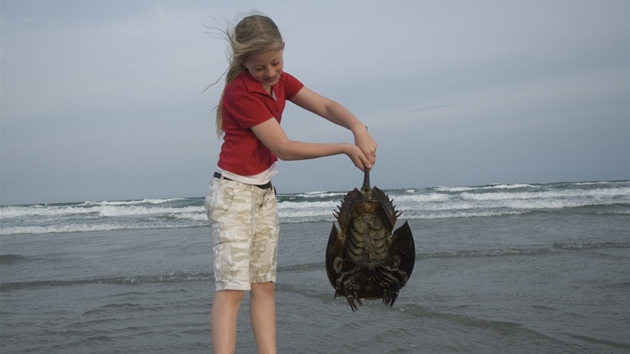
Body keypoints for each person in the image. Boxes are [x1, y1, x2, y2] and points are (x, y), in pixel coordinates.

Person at [204, 13, 377, 354]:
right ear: (244, 63)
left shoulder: (282, 82)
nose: (270, 73)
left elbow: (326, 106)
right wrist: (343, 147)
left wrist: (357, 128)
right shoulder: (240, 93)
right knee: (232, 289)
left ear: (283, 49)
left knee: (264, 285)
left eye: (275, 62)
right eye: (260, 68)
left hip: (264, 193)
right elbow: (282, 147)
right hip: (233, 195)